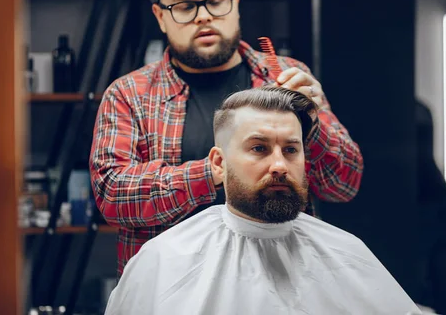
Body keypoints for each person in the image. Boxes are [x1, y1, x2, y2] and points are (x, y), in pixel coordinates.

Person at [89, 0, 364, 277]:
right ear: (160, 16)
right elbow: (112, 194)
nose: (204, 16)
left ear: (236, 2)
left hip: (281, 281)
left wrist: (313, 128)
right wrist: (215, 172)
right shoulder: (129, 94)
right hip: (173, 286)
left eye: (216, 0)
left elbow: (344, 185)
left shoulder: (288, 76)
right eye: (185, 6)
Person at [103, 87, 419, 315]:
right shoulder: (165, 258)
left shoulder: (346, 252)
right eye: (259, 148)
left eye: (291, 150)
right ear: (218, 163)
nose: (280, 165)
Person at [413, 99, 446, 315]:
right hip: (434, 206)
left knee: (440, 291)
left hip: (435, 208)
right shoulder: (420, 110)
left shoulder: (415, 113)